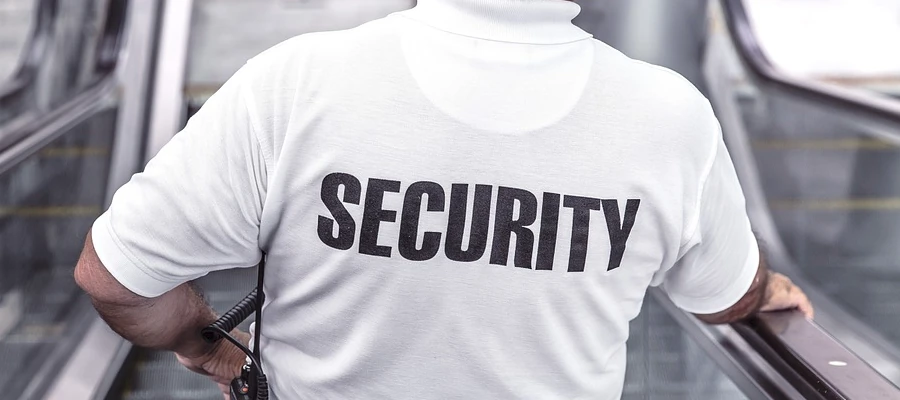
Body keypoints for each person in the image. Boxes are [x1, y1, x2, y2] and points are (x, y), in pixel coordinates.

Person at [74, 0, 814, 398]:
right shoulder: (667, 116)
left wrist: (198, 338)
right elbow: (721, 293)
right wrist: (765, 287)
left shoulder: (298, 81)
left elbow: (115, 277)